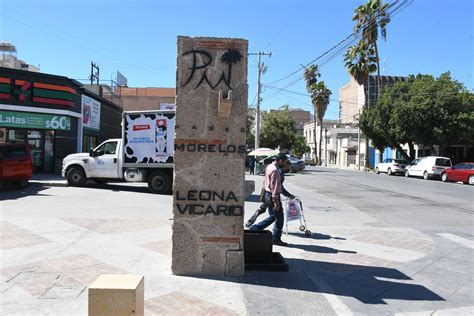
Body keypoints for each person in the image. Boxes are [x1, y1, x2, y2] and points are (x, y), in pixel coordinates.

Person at [249, 153, 290, 246]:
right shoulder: (275, 170)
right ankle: (274, 238)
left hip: (267, 195)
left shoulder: (269, 166)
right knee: (279, 218)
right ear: (280, 161)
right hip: (272, 196)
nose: (284, 164)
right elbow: (274, 188)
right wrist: (276, 202)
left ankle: (255, 229)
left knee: (274, 216)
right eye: (284, 162)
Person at [245, 159, 294, 228]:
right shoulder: (279, 172)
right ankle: (256, 227)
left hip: (266, 191)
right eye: (289, 166)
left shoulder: (275, 169)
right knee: (274, 215)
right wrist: (288, 195)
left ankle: (250, 222)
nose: (290, 168)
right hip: (271, 193)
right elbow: (279, 187)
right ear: (286, 165)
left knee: (263, 208)